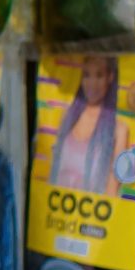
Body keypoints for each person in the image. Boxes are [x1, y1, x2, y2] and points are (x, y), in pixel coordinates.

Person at [52, 58, 121, 195]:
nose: (92, 84)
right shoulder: (67, 118)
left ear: (110, 77)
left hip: (91, 212)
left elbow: (111, 192)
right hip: (56, 209)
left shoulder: (119, 130)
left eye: (99, 75)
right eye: (86, 75)